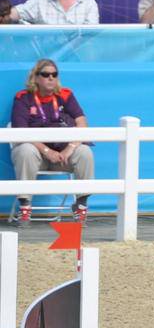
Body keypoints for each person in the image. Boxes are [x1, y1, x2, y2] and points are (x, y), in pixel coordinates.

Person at [11, 59, 94, 227]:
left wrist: (69, 149)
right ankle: (25, 206)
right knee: (25, 149)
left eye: (54, 74)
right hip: (37, 156)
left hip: (62, 157)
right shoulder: (23, 98)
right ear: (35, 77)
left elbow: (82, 123)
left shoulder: (65, 95)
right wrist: (47, 152)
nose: (51, 78)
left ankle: (81, 206)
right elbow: (21, 131)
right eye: (45, 74)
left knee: (85, 152)